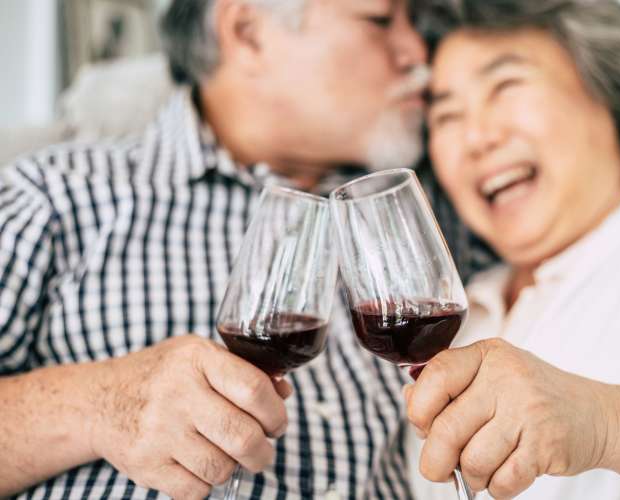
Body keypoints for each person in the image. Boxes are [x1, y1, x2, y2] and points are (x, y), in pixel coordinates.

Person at [0, 1, 454, 498]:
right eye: (381, 20)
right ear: (248, 32)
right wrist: (95, 404)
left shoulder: (437, 207)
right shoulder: (52, 196)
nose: (419, 53)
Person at [404, 0, 620, 499]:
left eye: (506, 87)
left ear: (607, 90)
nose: (476, 138)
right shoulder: (451, 318)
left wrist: (609, 425)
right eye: (447, 115)